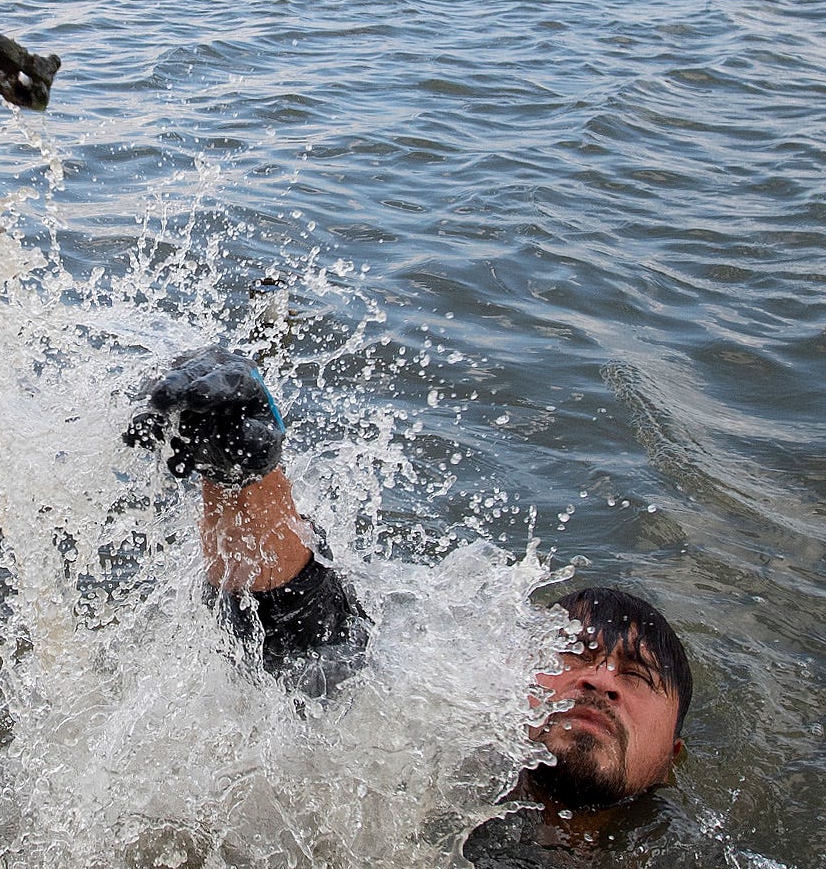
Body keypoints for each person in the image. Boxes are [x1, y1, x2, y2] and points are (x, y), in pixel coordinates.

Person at [123, 346, 694, 809]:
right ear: (509, 682)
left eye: (638, 676)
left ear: (673, 756)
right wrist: (243, 472)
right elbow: (308, 644)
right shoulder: (426, 790)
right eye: (573, 653)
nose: (599, 681)